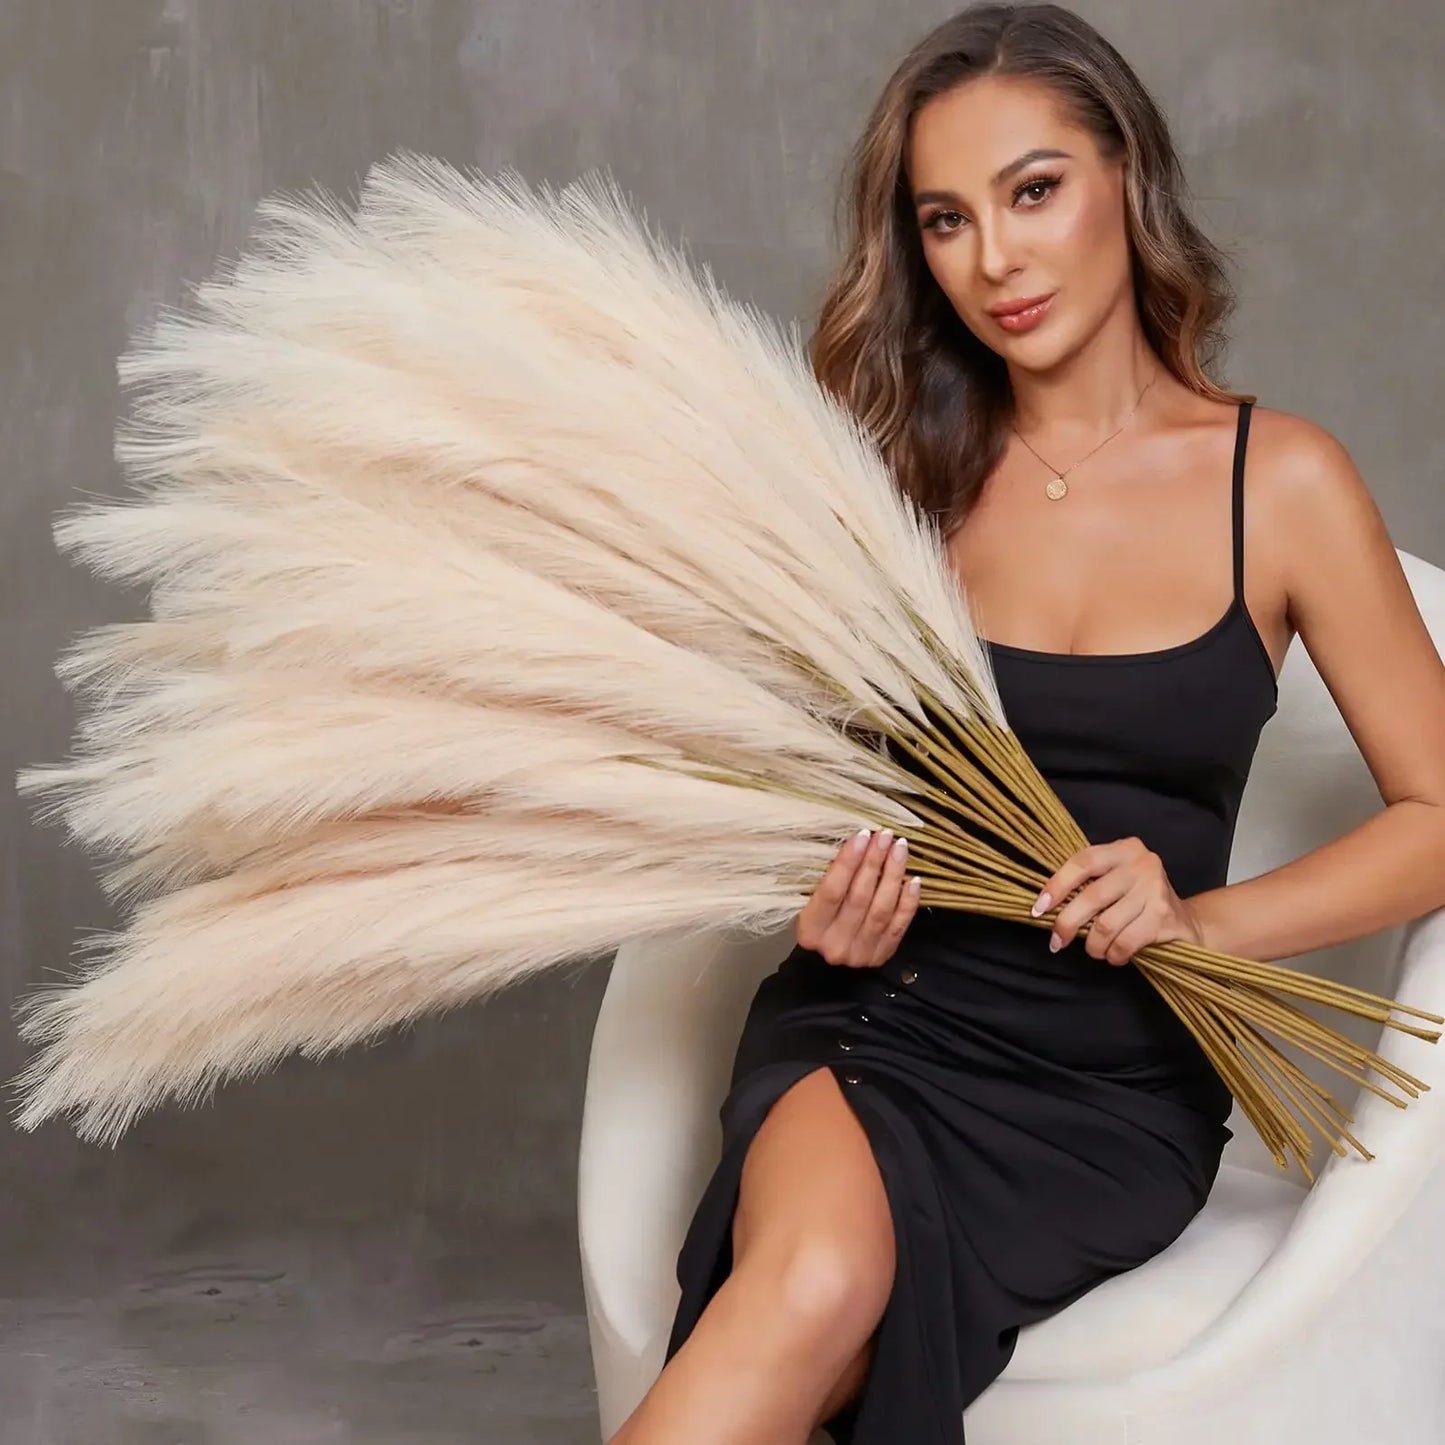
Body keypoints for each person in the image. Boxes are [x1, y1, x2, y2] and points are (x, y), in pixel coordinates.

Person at [607, 4, 1445, 1442]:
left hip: (1114, 1087)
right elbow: (792, 780)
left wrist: (1202, 920)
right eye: (945, 219)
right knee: (813, 1282)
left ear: (1127, 176)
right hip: (880, 1017)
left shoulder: (1282, 483)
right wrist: (822, 905)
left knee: (828, 1341)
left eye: (1033, 190)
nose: (993, 258)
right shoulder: (882, 477)